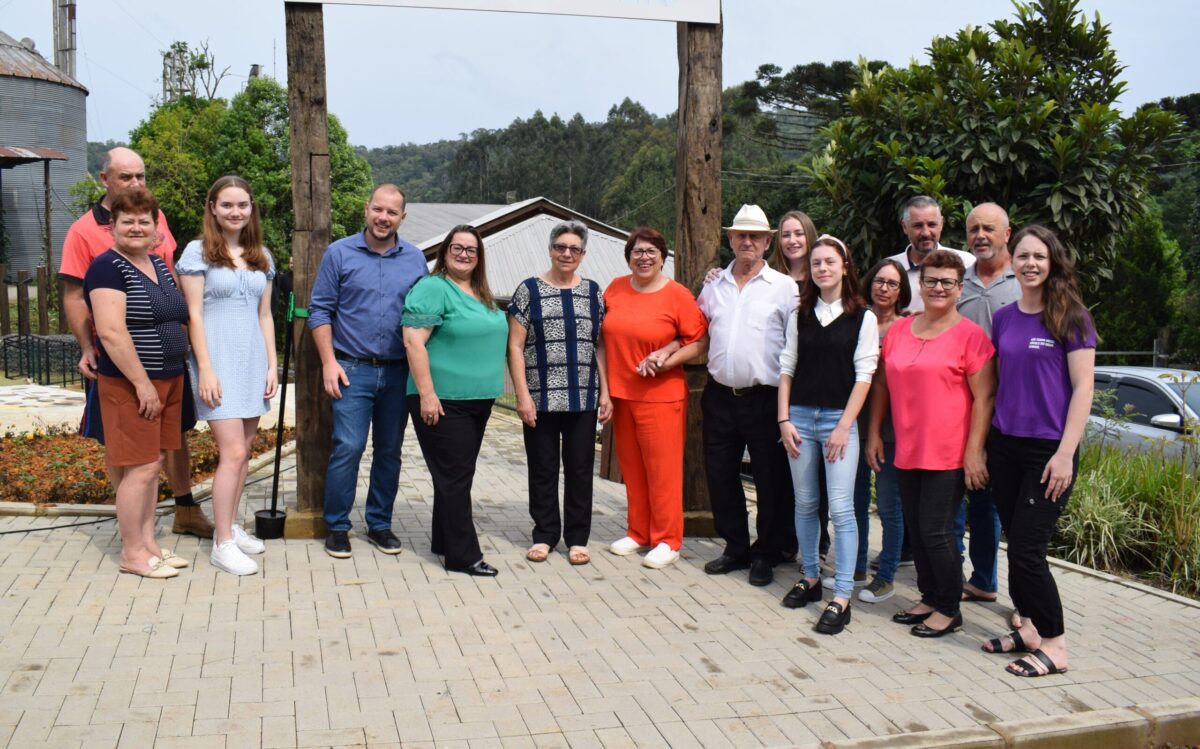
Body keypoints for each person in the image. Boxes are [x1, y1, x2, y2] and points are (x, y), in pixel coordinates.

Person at [59, 146, 212, 539]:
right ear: (104, 179)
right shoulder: (83, 232)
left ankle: (182, 508)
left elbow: (167, 276)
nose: (134, 183)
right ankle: (134, 531)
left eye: (140, 176)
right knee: (125, 445)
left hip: (169, 364)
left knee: (172, 438)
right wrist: (86, 346)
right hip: (123, 362)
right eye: (125, 177)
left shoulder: (154, 216)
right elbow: (75, 296)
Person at [981, 225, 1094, 678]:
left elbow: (1084, 387)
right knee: (1015, 544)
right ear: (1012, 261)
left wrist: (1066, 453)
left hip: (1049, 450)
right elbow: (996, 383)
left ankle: (1056, 644)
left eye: (1039, 257)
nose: (1030, 264)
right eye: (1023, 256)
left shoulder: (1071, 316)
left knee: (1029, 548)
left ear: (1053, 263)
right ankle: (1027, 628)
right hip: (1005, 445)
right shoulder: (1004, 318)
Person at [867, 250, 995, 638]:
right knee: (917, 529)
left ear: (959, 288)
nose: (938, 288)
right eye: (930, 281)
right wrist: (873, 432)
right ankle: (929, 596)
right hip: (907, 447)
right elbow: (883, 385)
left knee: (938, 531)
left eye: (947, 282)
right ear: (919, 286)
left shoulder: (971, 336)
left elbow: (985, 398)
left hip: (949, 452)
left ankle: (949, 608)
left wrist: (974, 452)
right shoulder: (901, 331)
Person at [308, 184, 427, 559]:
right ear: (366, 209)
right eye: (378, 209)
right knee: (349, 447)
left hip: (397, 373)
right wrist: (329, 362)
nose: (383, 218)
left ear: (402, 218)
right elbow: (320, 311)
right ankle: (338, 527)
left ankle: (379, 524)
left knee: (389, 451)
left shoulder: (415, 259)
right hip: (351, 369)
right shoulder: (339, 253)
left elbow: (424, 316)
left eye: (392, 213)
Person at [84, 187, 190, 578]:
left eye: (144, 220)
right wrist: (142, 384)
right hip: (133, 384)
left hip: (169, 376)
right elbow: (111, 333)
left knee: (155, 463)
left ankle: (149, 545)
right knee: (139, 467)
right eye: (127, 220)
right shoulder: (106, 267)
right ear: (112, 226)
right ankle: (132, 552)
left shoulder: (158, 264)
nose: (136, 226)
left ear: (155, 227)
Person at [778, 235, 878, 635]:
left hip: (839, 421)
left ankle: (842, 596)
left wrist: (843, 427)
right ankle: (811, 576)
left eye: (829, 262)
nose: (822, 268)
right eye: (816, 263)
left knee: (841, 508)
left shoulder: (863, 317)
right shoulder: (800, 313)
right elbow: (787, 366)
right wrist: (784, 419)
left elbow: (864, 376)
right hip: (799, 418)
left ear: (845, 266)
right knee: (805, 503)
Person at [178, 176, 277, 576]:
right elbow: (194, 315)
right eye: (227, 205)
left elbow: (265, 315)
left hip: (252, 361)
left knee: (244, 454)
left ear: (251, 208)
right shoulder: (197, 252)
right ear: (213, 208)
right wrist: (205, 369)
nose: (235, 212)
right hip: (217, 363)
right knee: (232, 454)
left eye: (242, 205)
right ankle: (222, 544)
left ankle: (231, 527)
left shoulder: (261, 255)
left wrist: (272, 364)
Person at [697, 205, 799, 587]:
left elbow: (795, 345)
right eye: (740, 235)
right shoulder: (713, 285)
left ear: (768, 242)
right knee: (721, 475)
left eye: (755, 236)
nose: (747, 241)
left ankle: (767, 553)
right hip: (720, 395)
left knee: (770, 480)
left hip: (764, 397)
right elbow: (699, 332)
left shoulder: (785, 288)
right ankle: (736, 547)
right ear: (730, 239)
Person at [404, 225, 508, 577]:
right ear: (444, 252)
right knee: (455, 478)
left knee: (453, 476)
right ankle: (463, 556)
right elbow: (413, 343)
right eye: (457, 248)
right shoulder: (433, 288)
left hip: (478, 400)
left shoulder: (481, 293)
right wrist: (427, 395)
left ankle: (444, 541)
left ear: (479, 257)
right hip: (444, 399)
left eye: (471, 250)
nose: (464, 254)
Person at [602, 227, 708, 569]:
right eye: (637, 251)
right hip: (622, 393)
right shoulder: (616, 288)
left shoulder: (676, 295)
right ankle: (638, 531)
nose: (643, 257)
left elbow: (699, 340)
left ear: (663, 257)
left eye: (651, 252)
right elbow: (602, 337)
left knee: (662, 471)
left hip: (661, 396)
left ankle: (667, 540)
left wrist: (668, 357)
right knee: (632, 469)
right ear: (628, 257)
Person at [508, 221, 611, 566]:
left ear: (582, 254)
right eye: (560, 247)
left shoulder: (594, 292)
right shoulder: (528, 291)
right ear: (551, 249)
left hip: (583, 397)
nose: (567, 253)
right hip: (540, 397)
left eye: (574, 249)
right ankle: (545, 534)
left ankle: (578, 538)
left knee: (581, 469)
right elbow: (515, 346)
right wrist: (522, 395)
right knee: (543, 468)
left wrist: (606, 394)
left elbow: (600, 347)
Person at [955, 203, 1021, 606]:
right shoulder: (958, 281)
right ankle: (983, 579)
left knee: (1014, 510)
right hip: (965, 407)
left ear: (1007, 233)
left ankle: (1025, 601)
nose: (981, 235)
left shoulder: (1027, 280)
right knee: (978, 498)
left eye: (989, 229)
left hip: (1013, 410)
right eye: (974, 229)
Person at [853, 259, 910, 604]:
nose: (884, 288)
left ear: (901, 290)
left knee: (889, 504)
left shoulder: (907, 327)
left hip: (892, 427)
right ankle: (856, 567)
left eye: (892, 283)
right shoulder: (857, 319)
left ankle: (886, 575)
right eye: (878, 281)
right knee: (855, 502)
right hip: (854, 423)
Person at [886, 195, 976, 314]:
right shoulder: (889, 270)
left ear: (941, 224)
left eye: (932, 224)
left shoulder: (966, 263)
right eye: (918, 226)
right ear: (904, 227)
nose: (925, 233)